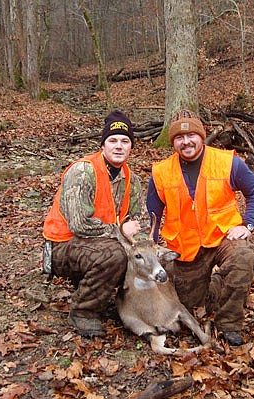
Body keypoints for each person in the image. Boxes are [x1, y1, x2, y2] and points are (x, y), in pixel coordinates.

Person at [146, 109, 254, 346]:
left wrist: (248, 224)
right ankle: (219, 284)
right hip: (187, 246)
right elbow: (153, 213)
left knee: (243, 257)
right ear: (173, 142)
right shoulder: (161, 172)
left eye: (192, 135)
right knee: (190, 304)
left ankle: (229, 323)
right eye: (179, 138)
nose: (186, 142)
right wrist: (149, 243)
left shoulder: (227, 162)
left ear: (202, 136)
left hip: (223, 235)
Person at [42, 110, 144, 338]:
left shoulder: (131, 179)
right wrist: (119, 232)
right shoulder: (83, 171)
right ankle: (83, 311)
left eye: (125, 141)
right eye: (113, 140)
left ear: (131, 147)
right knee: (115, 256)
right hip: (64, 245)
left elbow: (141, 221)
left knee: (144, 257)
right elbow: (79, 224)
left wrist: (146, 247)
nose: (119, 146)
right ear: (103, 145)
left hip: (101, 242)